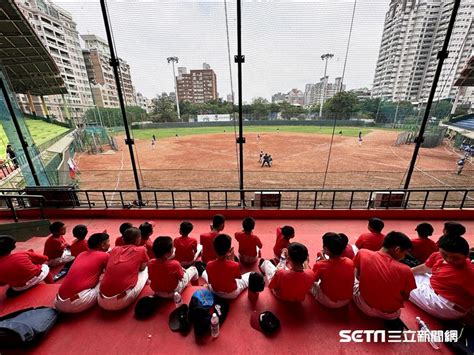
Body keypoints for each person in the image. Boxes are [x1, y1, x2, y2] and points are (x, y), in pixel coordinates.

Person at [353, 232, 415, 321]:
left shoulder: (362, 253)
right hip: (390, 314)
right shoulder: (406, 270)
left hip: (363, 305)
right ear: (397, 249)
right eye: (404, 254)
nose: (404, 257)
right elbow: (405, 297)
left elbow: (358, 276)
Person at [410, 235, 474, 320]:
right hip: (434, 287)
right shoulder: (438, 255)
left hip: (444, 305)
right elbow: (426, 268)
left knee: (402, 282)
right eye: (444, 255)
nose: (449, 259)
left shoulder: (469, 273)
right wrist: (409, 271)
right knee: (408, 274)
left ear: (467, 255)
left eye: (455, 258)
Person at [55, 233, 110, 313]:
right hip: (78, 302)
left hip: (58, 302)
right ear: (103, 245)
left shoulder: (81, 254)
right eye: (108, 242)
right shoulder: (104, 255)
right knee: (105, 280)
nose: (109, 244)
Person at [98, 228, 149, 310]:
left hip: (101, 299)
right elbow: (142, 268)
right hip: (122, 300)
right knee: (146, 269)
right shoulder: (141, 249)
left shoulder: (114, 249)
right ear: (138, 239)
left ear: (123, 239)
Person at [311, 233, 355, 308]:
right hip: (347, 299)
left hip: (328, 301)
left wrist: (306, 263)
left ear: (326, 249)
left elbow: (312, 280)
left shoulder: (320, 265)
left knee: (307, 279)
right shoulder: (350, 262)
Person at [203, 234, 250, 299]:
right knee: (250, 274)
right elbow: (239, 277)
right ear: (228, 250)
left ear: (214, 249)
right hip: (232, 294)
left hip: (215, 291)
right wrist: (232, 260)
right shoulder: (235, 265)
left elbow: (210, 281)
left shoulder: (209, 264)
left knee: (204, 272)